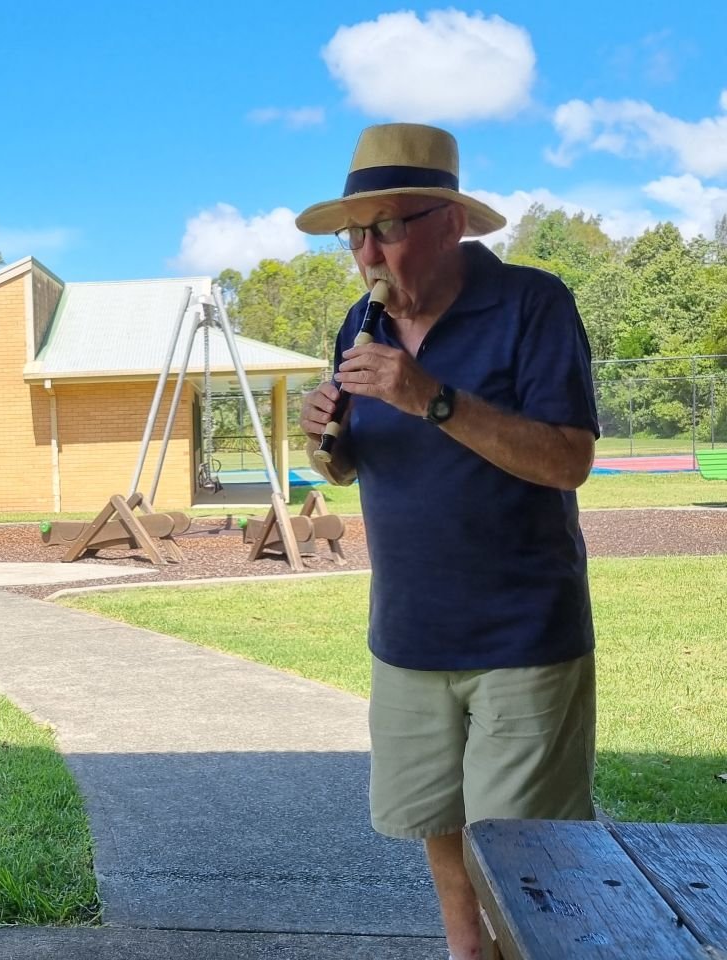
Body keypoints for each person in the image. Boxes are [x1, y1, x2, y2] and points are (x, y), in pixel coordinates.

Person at [297, 123, 598, 960]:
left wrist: (430, 396)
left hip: (522, 638)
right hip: (407, 637)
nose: (367, 254)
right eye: (354, 234)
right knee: (440, 829)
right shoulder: (362, 324)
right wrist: (325, 441)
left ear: (450, 224)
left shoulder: (534, 304)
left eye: (388, 227)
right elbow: (350, 469)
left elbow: (569, 460)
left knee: (524, 862)